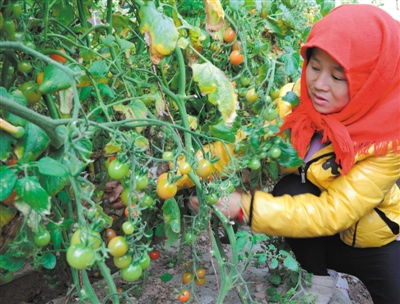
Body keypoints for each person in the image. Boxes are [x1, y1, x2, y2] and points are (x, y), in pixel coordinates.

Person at [190, 4, 400, 304]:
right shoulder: (294, 101)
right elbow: (239, 146)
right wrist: (176, 173)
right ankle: (317, 280)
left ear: (371, 82)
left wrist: (244, 208)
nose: (319, 85)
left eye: (338, 77)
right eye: (314, 67)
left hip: (373, 238)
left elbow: (334, 213)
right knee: (290, 187)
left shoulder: (388, 140)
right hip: (317, 232)